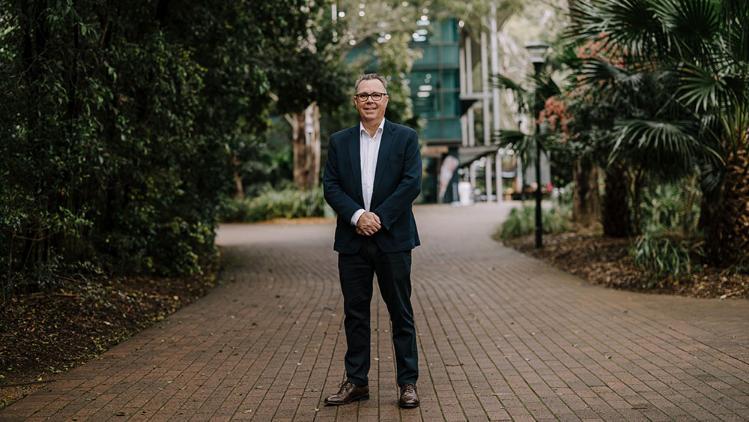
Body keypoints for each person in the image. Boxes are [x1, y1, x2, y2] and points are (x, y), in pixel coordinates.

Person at [322, 73, 422, 409]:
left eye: (376, 94)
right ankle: (357, 382)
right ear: (355, 101)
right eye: (363, 95)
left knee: (401, 313)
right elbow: (331, 186)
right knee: (355, 313)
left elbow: (411, 183)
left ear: (386, 100)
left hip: (393, 239)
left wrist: (377, 217)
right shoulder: (339, 142)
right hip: (353, 241)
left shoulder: (405, 138)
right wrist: (357, 216)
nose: (370, 100)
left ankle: (407, 384)